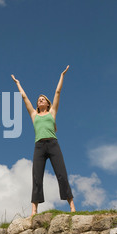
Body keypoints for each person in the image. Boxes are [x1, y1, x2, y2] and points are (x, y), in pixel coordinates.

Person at [11, 65, 75, 216]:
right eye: (39, 100)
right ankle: (34, 210)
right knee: (37, 177)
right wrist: (17, 83)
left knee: (62, 175)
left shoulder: (52, 113)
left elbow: (57, 92)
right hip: (39, 146)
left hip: (53, 144)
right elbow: (24, 97)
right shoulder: (33, 115)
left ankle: (72, 206)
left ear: (47, 103)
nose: (40, 101)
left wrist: (62, 75)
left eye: (43, 99)